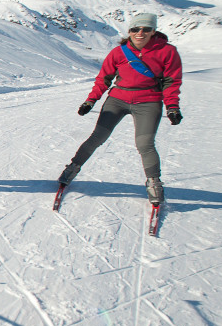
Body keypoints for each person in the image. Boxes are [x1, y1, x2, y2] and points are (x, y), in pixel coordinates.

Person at [57, 12, 183, 205]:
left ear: (153, 31)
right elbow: (103, 79)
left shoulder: (168, 52)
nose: (140, 33)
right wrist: (90, 101)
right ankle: (72, 168)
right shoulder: (118, 52)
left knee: (145, 144)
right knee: (97, 137)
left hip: (148, 102)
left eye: (145, 29)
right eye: (135, 29)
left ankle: (154, 182)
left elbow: (171, 81)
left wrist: (172, 106)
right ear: (129, 31)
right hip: (118, 99)